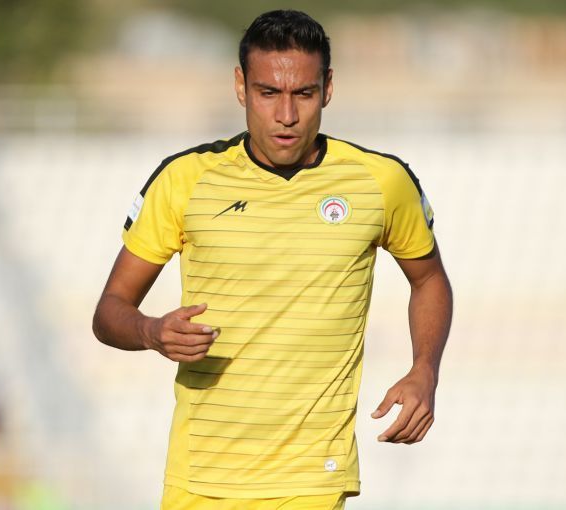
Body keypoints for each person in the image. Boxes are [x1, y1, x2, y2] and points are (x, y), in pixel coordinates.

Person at [93, 9, 452, 510]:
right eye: (268, 93)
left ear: (328, 89)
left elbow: (429, 279)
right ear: (241, 87)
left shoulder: (381, 181)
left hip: (312, 478)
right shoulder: (185, 180)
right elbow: (109, 311)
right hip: (201, 475)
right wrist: (151, 332)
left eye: (303, 94)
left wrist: (424, 369)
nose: (286, 114)